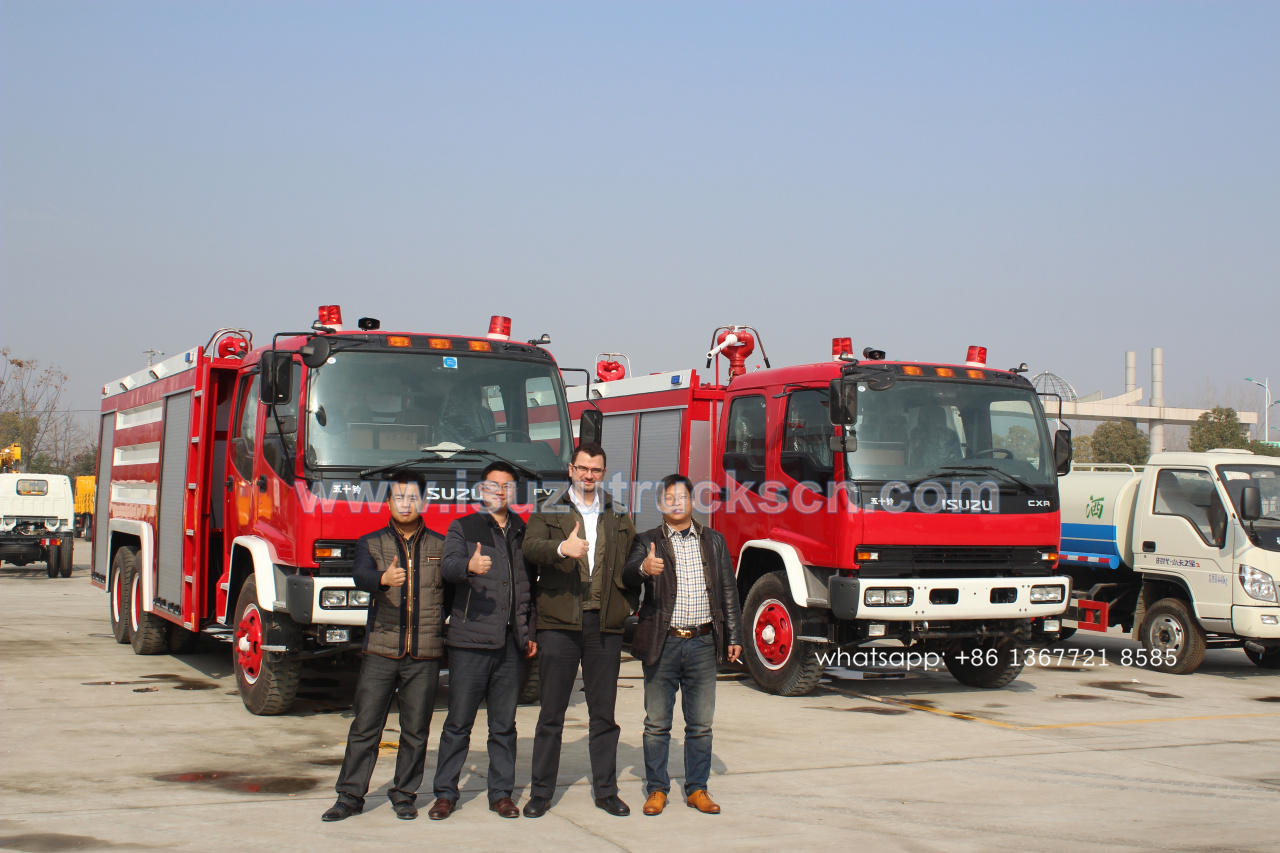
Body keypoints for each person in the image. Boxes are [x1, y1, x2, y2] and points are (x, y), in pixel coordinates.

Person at [521, 441, 638, 818]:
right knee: (551, 714)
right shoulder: (548, 508)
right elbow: (530, 548)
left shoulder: (618, 512)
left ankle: (606, 790)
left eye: (596, 470)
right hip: (559, 623)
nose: (589, 475)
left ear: (603, 473)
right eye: (583, 468)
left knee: (603, 715)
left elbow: (632, 557)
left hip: (604, 625)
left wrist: (628, 602)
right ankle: (541, 792)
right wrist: (561, 549)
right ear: (571, 470)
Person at [322, 471, 445, 823]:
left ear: (424, 502)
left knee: (416, 730)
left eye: (413, 497)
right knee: (365, 726)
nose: (406, 504)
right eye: (398, 498)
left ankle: (404, 795)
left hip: (424, 653)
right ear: (388, 502)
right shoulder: (371, 543)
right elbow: (360, 575)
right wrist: (383, 579)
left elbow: (449, 594)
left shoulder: (440, 545)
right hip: (381, 649)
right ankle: (349, 797)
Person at [622, 474, 744, 816]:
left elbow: (728, 591)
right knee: (657, 723)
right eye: (669, 498)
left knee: (701, 724)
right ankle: (657, 789)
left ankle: (697, 789)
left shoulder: (714, 541)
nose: (676, 503)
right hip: (663, 643)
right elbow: (627, 574)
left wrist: (734, 636)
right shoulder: (647, 540)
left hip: (703, 642)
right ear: (659, 504)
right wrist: (644, 568)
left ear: (693, 501)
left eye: (682, 497)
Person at [428, 461, 538, 820]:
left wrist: (530, 632)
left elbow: (530, 589)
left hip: (511, 644)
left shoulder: (524, 531)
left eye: (507, 486)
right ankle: (445, 794)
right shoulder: (464, 527)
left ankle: (501, 794)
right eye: (493, 485)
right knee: (458, 723)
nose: (500, 492)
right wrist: (467, 567)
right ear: (481, 490)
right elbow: (448, 568)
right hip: (470, 641)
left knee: (504, 726)